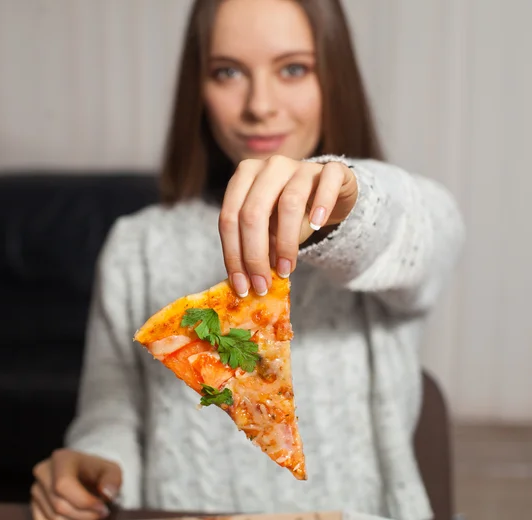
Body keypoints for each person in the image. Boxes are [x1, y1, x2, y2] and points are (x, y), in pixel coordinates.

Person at [30, 0, 465, 519]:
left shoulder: (374, 217)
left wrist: (346, 196)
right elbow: (112, 412)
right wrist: (94, 467)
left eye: (294, 68)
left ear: (335, 77)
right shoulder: (136, 245)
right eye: (228, 71)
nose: (259, 104)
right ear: (199, 88)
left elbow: (427, 227)